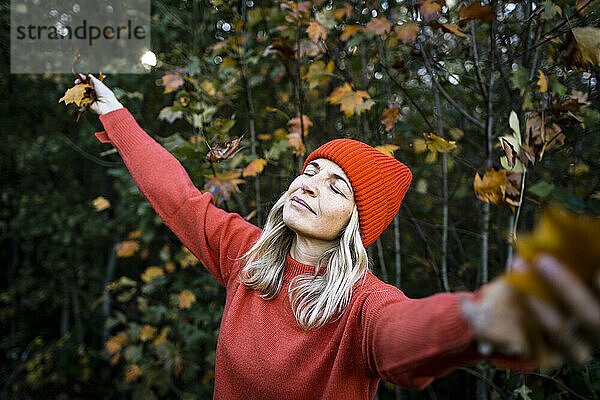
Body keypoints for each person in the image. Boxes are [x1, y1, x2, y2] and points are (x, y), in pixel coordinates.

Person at [78, 73, 600, 399]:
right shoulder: (247, 257)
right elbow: (177, 195)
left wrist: (485, 318)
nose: (309, 184)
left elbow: (404, 335)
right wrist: (116, 114)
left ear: (355, 222)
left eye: (337, 186)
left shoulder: (363, 307)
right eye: (310, 171)